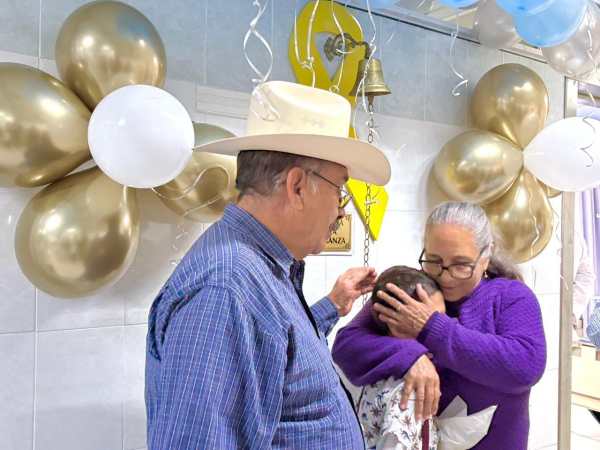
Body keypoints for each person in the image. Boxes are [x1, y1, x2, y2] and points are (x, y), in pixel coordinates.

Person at [144, 81, 391, 449]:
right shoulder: (227, 288)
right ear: (297, 187)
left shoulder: (255, 269)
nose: (341, 211)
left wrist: (331, 306)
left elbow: (275, 351)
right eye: (339, 191)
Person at [332, 202, 547, 450]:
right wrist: (411, 357)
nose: (445, 277)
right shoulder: (413, 290)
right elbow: (346, 346)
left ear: (486, 255)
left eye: (461, 264)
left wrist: (432, 328)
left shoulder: (511, 296)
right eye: (434, 261)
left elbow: (525, 366)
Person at [358, 266, 445, 450]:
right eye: (430, 322)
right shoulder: (409, 389)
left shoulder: (376, 368)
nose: (442, 330)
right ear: (397, 327)